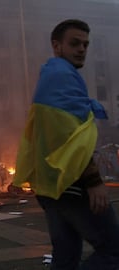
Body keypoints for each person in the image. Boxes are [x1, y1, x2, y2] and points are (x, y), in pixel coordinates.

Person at [14, 19, 119, 269]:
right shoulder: (61, 75)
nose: (82, 49)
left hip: (51, 186)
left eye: (85, 44)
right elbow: (67, 137)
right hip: (71, 183)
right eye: (74, 43)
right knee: (114, 251)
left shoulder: (53, 76)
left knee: (66, 256)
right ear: (56, 45)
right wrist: (93, 181)